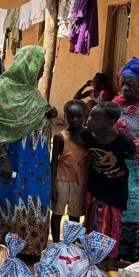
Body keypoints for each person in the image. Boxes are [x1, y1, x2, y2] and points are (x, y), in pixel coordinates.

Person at [0, 45, 57, 260]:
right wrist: (4, 160)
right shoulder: (5, 89)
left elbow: (33, 117)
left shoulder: (33, 92)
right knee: (12, 198)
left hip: (37, 162)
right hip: (13, 160)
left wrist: (47, 113)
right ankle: (7, 246)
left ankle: (31, 248)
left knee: (36, 200)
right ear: (29, 65)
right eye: (41, 66)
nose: (42, 71)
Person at [82, 101, 137, 271]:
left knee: (112, 223)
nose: (89, 119)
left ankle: (110, 261)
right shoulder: (87, 136)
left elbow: (132, 153)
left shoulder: (122, 140)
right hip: (95, 185)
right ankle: (92, 258)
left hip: (115, 188)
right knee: (92, 221)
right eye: (90, 115)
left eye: (94, 117)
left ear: (109, 122)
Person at [113, 57, 139, 263]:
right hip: (122, 163)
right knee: (123, 204)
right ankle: (120, 250)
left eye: (131, 84)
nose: (125, 88)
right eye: (123, 83)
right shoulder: (116, 103)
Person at [50, 99, 89, 243]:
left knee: (75, 216)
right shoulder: (60, 136)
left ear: (85, 116)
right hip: (61, 180)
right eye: (71, 116)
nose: (74, 119)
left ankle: (70, 246)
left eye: (79, 116)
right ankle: (55, 244)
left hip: (80, 182)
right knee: (57, 214)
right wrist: (52, 184)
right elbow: (54, 161)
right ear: (65, 116)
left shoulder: (88, 136)